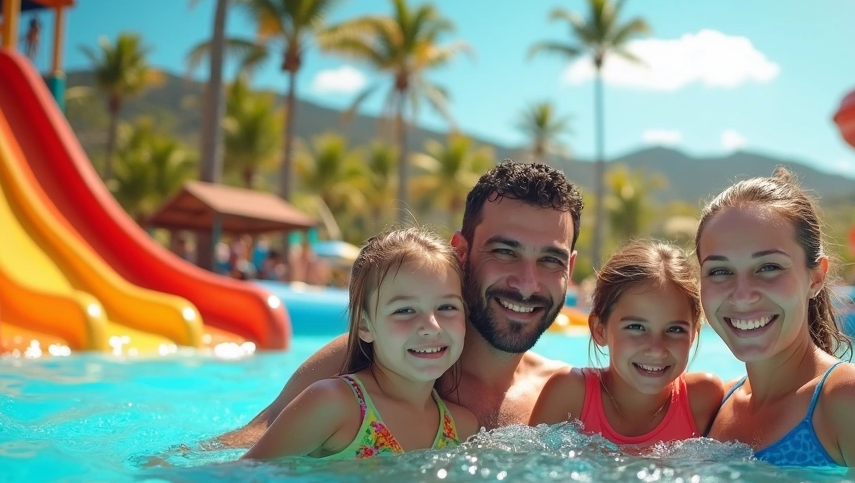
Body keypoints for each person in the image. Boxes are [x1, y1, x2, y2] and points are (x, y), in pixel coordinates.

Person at [214, 162, 583, 447]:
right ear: (461, 251)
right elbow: (238, 456)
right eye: (505, 252)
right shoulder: (369, 356)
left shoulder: (572, 399)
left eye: (550, 260)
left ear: (569, 268)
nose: (527, 283)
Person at [698, 168, 855, 474]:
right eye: (719, 271)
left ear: (815, 277)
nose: (742, 295)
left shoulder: (852, 398)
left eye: (768, 267)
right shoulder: (712, 406)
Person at [242, 228, 478, 460]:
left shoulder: (462, 427)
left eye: (447, 307)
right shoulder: (334, 406)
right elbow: (242, 481)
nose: (432, 327)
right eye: (404, 310)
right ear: (364, 326)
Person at [529, 239, 724, 447]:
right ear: (599, 330)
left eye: (675, 330)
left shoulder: (702, 398)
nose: (656, 349)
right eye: (636, 328)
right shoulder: (570, 394)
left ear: (693, 334)